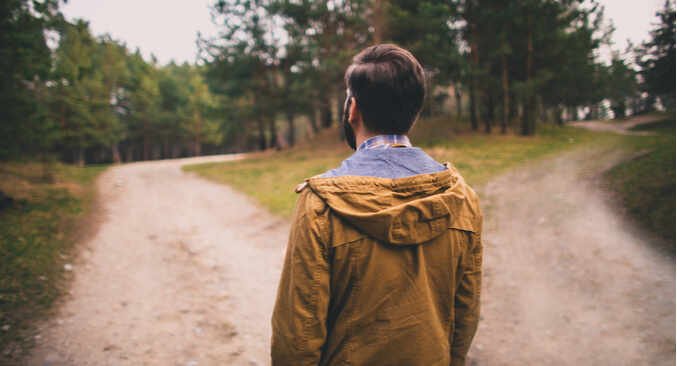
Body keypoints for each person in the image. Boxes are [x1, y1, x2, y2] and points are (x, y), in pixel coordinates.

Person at [271, 44, 483, 366]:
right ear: (415, 109)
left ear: (352, 108)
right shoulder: (463, 199)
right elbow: (465, 314)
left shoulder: (320, 204)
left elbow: (298, 337)